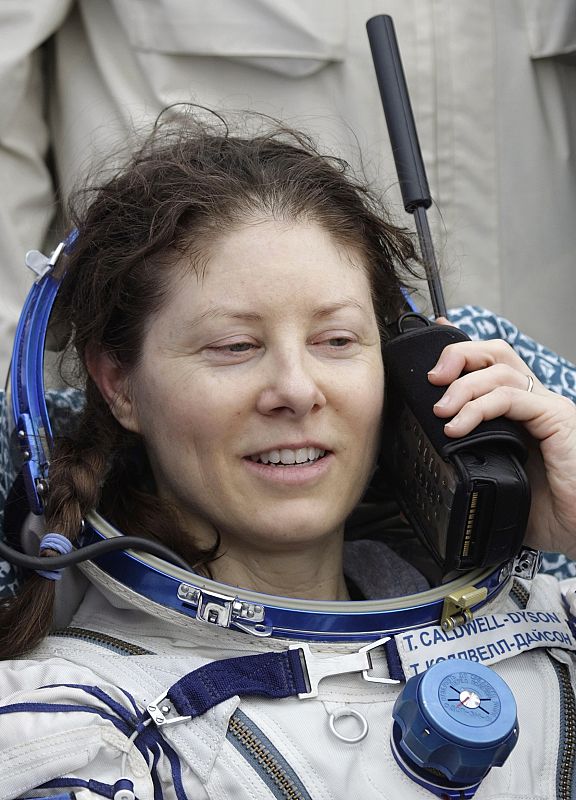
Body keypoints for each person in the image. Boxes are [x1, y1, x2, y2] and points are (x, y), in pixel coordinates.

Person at [0, 110, 576, 800]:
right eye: (234, 346)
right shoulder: (80, 726)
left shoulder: (550, 620)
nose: (297, 391)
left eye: (336, 341)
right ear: (118, 383)